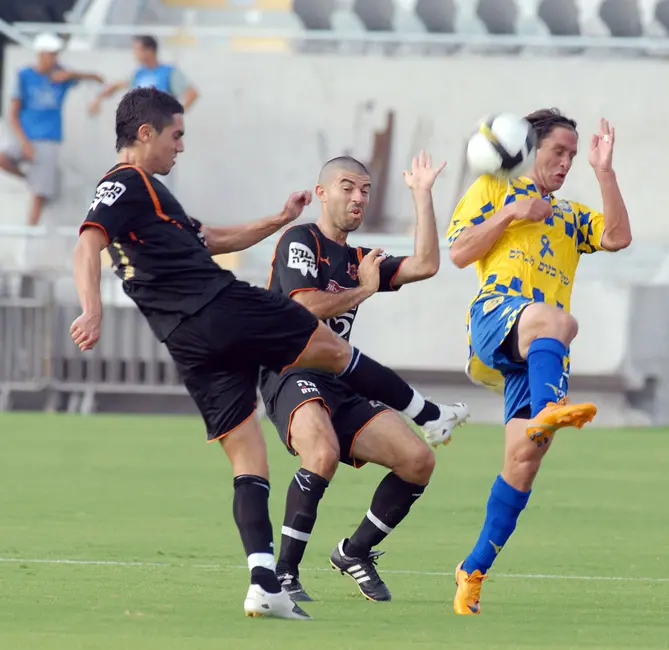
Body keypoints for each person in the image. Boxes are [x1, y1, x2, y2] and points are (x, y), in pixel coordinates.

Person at [71, 87, 470, 621]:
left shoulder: (156, 201)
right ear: (146, 133)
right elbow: (87, 241)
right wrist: (91, 308)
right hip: (222, 309)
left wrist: (276, 217)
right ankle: (431, 413)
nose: (181, 147)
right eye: (176, 135)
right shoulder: (128, 181)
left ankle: (265, 583)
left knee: (248, 458)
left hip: (185, 338)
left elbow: (209, 238)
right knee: (327, 349)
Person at [446, 109, 632, 615]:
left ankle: (474, 568)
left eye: (574, 154)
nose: (567, 161)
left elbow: (616, 237)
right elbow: (460, 252)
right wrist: (512, 213)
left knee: (523, 461)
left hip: (533, 352)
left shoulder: (569, 215)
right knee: (561, 322)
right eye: (560, 151)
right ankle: (554, 403)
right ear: (530, 149)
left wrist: (605, 171)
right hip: (497, 317)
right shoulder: (493, 187)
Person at [260, 153, 468, 603]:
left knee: (418, 460)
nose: (359, 198)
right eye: (348, 187)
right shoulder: (301, 240)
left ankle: (354, 552)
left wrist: (422, 194)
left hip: (339, 382)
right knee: (322, 451)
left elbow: (427, 264)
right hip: (290, 371)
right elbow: (304, 307)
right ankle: (285, 576)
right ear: (322, 192)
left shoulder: (359, 258)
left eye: (366, 190)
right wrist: (364, 291)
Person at [0, 32, 104, 226]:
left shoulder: (62, 74)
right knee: (3, 158)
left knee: (38, 196)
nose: (55, 58)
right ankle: (29, 177)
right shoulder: (25, 75)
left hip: (49, 138)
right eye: (51, 54)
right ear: (41, 54)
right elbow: (13, 112)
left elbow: (98, 78)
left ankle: (30, 232)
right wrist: (25, 142)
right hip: (26, 135)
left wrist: (72, 74)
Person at [89, 35, 198, 115]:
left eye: (137, 49)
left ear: (149, 50)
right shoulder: (139, 73)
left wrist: (174, 117)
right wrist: (98, 99)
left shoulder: (168, 72)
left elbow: (192, 94)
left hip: (161, 127)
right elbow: (116, 85)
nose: (135, 53)